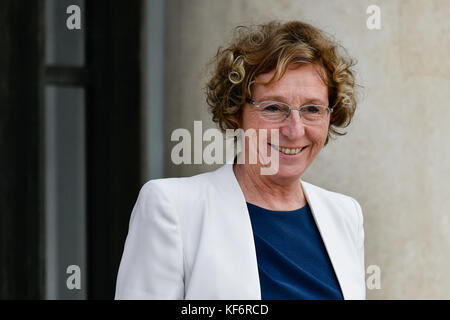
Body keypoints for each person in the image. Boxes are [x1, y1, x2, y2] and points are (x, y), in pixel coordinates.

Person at [115, 20, 365, 300]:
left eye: (312, 109)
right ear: (236, 113)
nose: (295, 130)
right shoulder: (172, 207)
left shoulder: (345, 214)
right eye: (273, 107)